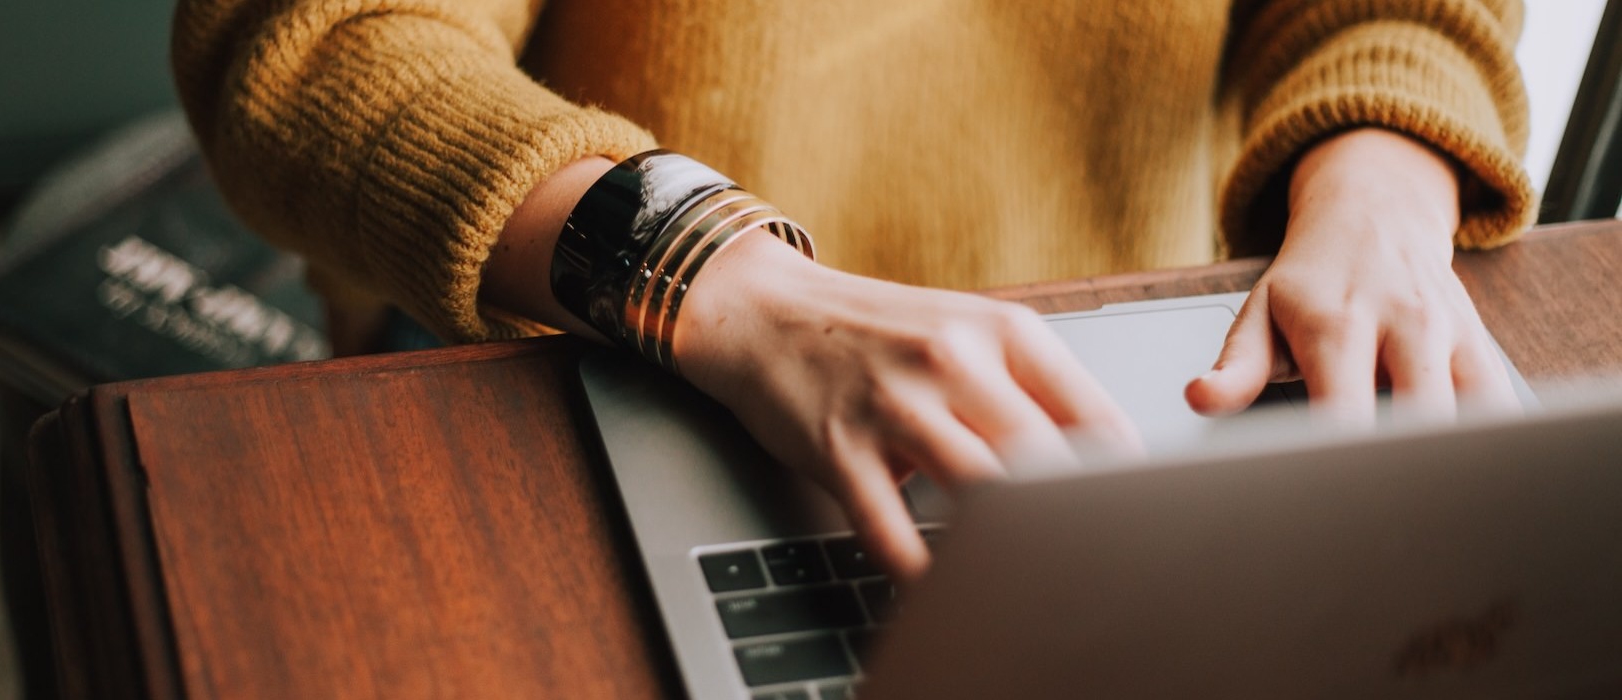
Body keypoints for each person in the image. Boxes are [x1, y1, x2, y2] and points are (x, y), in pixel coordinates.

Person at [171, 0, 1536, 580]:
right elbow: (308, 43)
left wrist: (1384, 175)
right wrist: (707, 272)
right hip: (596, 354)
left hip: (1138, 391)